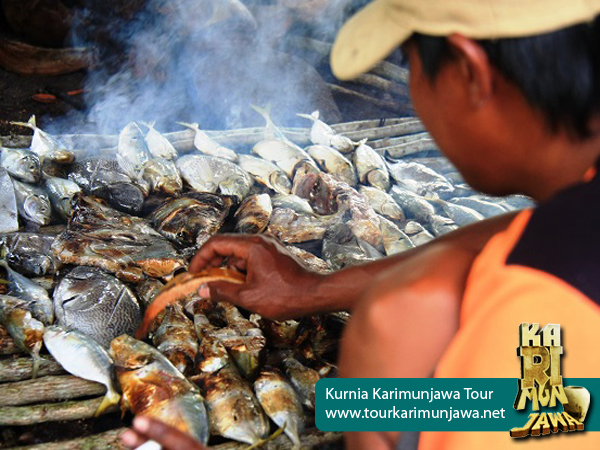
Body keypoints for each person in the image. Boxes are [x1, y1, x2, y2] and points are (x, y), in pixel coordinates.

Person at [122, 0, 600, 448]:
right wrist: (315, 290)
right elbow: (513, 237)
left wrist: (365, 394)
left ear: (470, 72)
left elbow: (560, 408)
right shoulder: (568, 228)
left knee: (395, 328)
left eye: (412, 63)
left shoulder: (543, 299)